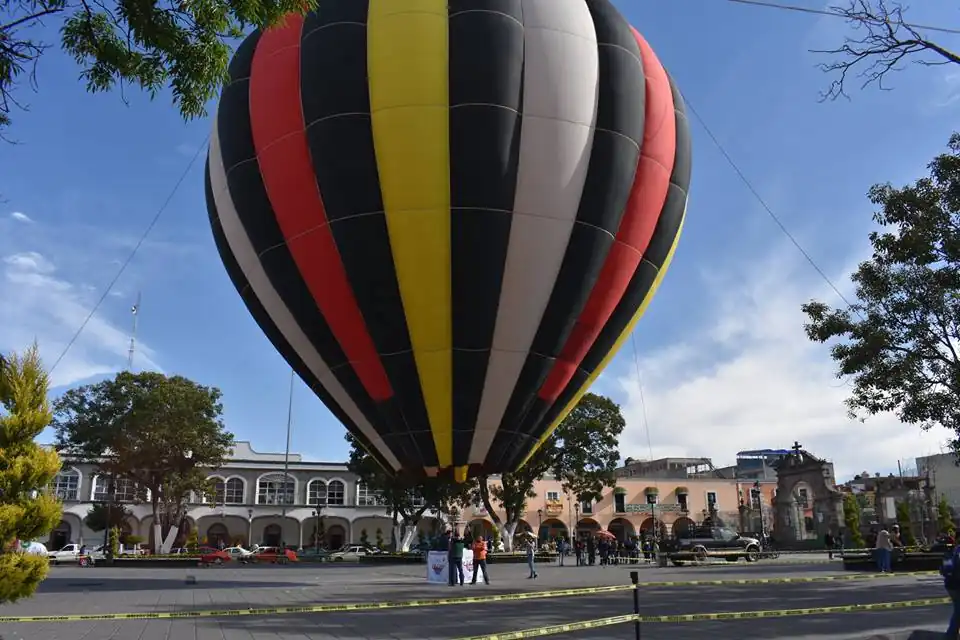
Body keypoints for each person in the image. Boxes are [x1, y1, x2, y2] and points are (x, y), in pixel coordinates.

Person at [941, 539, 960, 637]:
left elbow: (944, 569)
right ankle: (950, 635)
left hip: (950, 585)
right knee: (958, 613)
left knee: (958, 611)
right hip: (957, 585)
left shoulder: (953, 551)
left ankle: (952, 634)